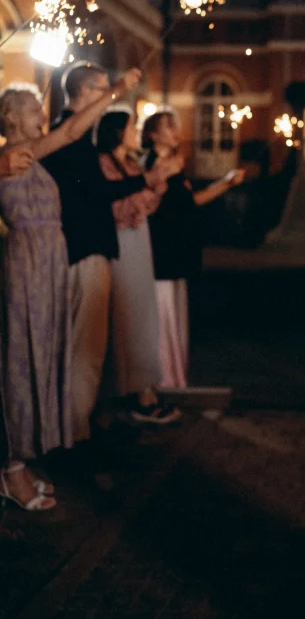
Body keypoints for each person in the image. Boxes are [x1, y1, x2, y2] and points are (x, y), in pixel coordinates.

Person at [0, 71, 139, 511]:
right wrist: (115, 91)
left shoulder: (32, 155)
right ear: (10, 119)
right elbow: (72, 127)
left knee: (45, 355)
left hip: (51, 267)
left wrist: (116, 91)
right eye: (31, 108)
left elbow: (73, 130)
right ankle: (12, 468)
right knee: (21, 359)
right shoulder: (13, 156)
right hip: (26, 266)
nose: (41, 112)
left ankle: (24, 457)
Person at [41, 62, 174, 442]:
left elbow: (97, 193)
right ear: (85, 94)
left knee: (89, 351)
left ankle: (79, 428)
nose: (107, 97)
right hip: (83, 251)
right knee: (86, 352)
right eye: (102, 90)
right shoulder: (68, 138)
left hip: (88, 250)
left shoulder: (75, 140)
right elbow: (95, 196)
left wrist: (142, 180)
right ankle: (75, 436)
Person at [141, 107, 245, 388]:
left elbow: (192, 201)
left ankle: (175, 379)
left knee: (176, 318)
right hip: (161, 255)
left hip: (179, 252)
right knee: (162, 318)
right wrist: (165, 170)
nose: (177, 132)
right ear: (153, 135)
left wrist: (226, 182)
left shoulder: (176, 167)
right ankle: (162, 381)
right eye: (169, 127)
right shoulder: (148, 164)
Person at [96, 108, 182, 424]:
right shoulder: (104, 164)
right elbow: (119, 205)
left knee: (141, 311)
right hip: (122, 240)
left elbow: (146, 201)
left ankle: (142, 388)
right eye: (131, 127)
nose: (135, 133)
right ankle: (128, 392)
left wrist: (155, 185)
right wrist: (154, 182)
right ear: (117, 131)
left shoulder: (131, 164)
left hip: (138, 237)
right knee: (124, 311)